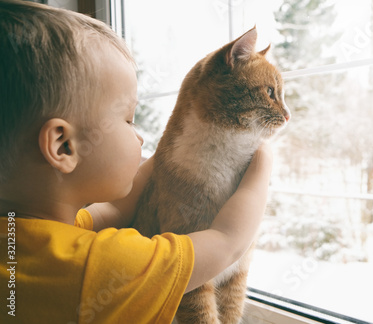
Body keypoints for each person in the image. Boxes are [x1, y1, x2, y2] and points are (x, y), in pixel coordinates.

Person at [0, 1, 273, 323]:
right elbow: (226, 243)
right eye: (129, 121)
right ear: (63, 146)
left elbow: (116, 209)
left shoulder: (24, 234)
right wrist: (262, 165)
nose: (140, 137)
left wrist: (175, 141)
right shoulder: (97, 266)